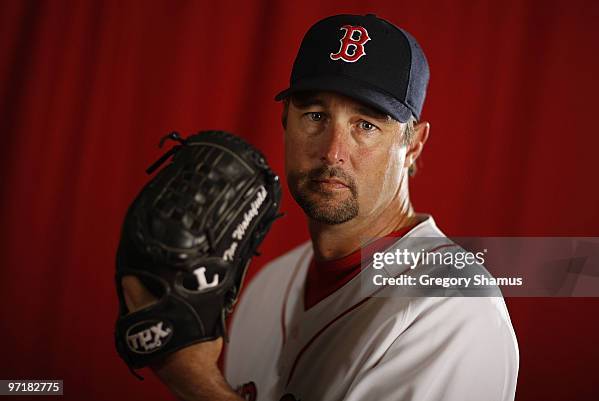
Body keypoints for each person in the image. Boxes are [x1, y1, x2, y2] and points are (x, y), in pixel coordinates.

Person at [122, 13, 519, 401]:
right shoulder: (266, 287)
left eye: (365, 125)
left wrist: (195, 380)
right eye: (315, 116)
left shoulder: (454, 308)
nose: (333, 152)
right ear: (284, 122)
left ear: (413, 145)